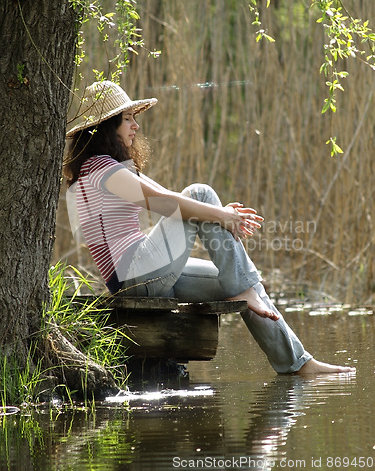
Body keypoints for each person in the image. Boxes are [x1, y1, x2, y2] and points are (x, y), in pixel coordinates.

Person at [65, 80, 355, 375]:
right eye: (127, 119)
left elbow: (168, 196)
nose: (136, 126)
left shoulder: (100, 168)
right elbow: (165, 203)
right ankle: (244, 289)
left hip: (142, 273)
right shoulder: (101, 169)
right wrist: (222, 216)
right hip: (136, 275)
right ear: (106, 127)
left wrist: (220, 213)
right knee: (201, 193)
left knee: (242, 282)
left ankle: (298, 364)